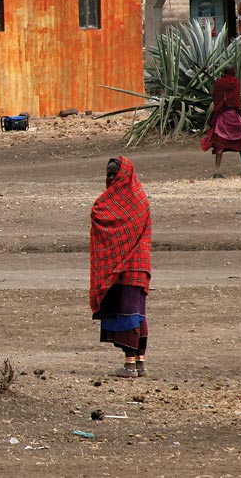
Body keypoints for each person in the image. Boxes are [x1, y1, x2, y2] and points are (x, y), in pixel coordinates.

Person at [89, 156, 152, 378]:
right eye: (108, 175)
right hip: (140, 267)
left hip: (129, 268)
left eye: (115, 175)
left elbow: (101, 216)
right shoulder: (140, 198)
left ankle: (130, 366)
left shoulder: (125, 202)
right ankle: (140, 363)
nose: (111, 179)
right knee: (138, 313)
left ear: (125, 175)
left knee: (130, 314)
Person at [203, 66, 241, 178]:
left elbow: (216, 99)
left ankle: (217, 170)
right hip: (233, 116)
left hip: (221, 115)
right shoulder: (234, 82)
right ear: (233, 72)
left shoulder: (218, 83)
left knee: (220, 142)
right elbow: (236, 102)